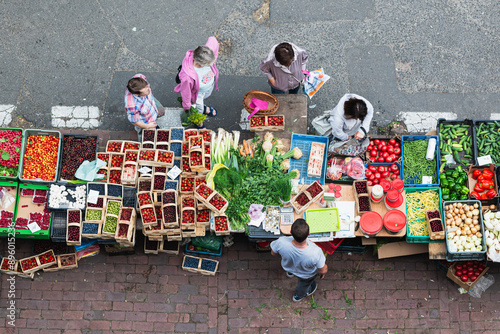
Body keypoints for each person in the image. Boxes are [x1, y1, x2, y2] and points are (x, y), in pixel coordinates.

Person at [270, 219, 327, 302]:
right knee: (303, 286)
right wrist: (322, 274)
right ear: (309, 234)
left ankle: (290, 273)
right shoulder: (315, 252)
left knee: (292, 267)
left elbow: (273, 253)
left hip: (288, 266)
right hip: (305, 275)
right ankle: (298, 296)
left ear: (290, 231)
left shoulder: (281, 242)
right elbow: (322, 269)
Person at [174, 36, 219, 128]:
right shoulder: (187, 76)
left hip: (206, 88)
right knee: (198, 108)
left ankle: (203, 107)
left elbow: (213, 40)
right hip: (197, 94)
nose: (212, 64)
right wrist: (187, 106)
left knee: (203, 99)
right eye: (209, 64)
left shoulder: (205, 54)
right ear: (199, 63)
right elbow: (185, 92)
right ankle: (198, 122)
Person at [125, 74, 165, 141]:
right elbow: (134, 121)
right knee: (146, 133)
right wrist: (148, 126)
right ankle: (141, 135)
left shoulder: (140, 77)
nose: (150, 90)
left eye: (147, 86)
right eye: (146, 91)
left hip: (150, 103)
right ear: (137, 94)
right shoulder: (132, 105)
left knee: (161, 111)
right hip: (146, 121)